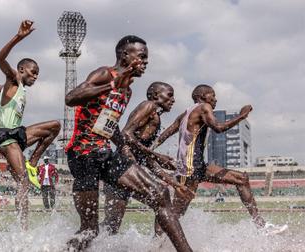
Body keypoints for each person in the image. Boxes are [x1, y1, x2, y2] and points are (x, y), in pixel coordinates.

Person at [65, 35, 192, 252]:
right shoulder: (105, 74)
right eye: (142, 57)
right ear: (125, 55)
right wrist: (112, 83)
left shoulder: (128, 91)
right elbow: (71, 98)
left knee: (161, 194)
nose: (145, 62)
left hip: (105, 154)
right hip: (83, 155)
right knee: (90, 230)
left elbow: (109, 125)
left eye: (146, 58)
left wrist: (134, 150)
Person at [153, 84, 288, 235]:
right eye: (213, 95)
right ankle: (156, 242)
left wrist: (150, 147)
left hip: (198, 166)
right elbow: (218, 128)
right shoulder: (204, 107)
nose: (215, 99)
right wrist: (241, 116)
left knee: (241, 179)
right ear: (202, 96)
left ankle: (261, 226)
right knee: (175, 213)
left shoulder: (185, 113)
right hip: (189, 169)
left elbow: (166, 133)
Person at [0, 20, 60, 229]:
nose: (36, 77)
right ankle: (23, 230)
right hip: (7, 139)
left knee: (55, 126)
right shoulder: (14, 78)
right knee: (23, 183)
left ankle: (32, 161)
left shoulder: (13, 87)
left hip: (18, 134)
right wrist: (19, 37)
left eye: (38, 75)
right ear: (21, 69)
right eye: (33, 72)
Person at [101, 82, 195, 234]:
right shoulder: (148, 106)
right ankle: (157, 245)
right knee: (162, 200)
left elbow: (146, 160)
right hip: (121, 167)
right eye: (169, 95)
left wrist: (176, 184)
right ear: (156, 95)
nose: (173, 100)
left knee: (111, 225)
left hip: (122, 170)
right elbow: (125, 134)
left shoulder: (155, 116)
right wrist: (157, 155)